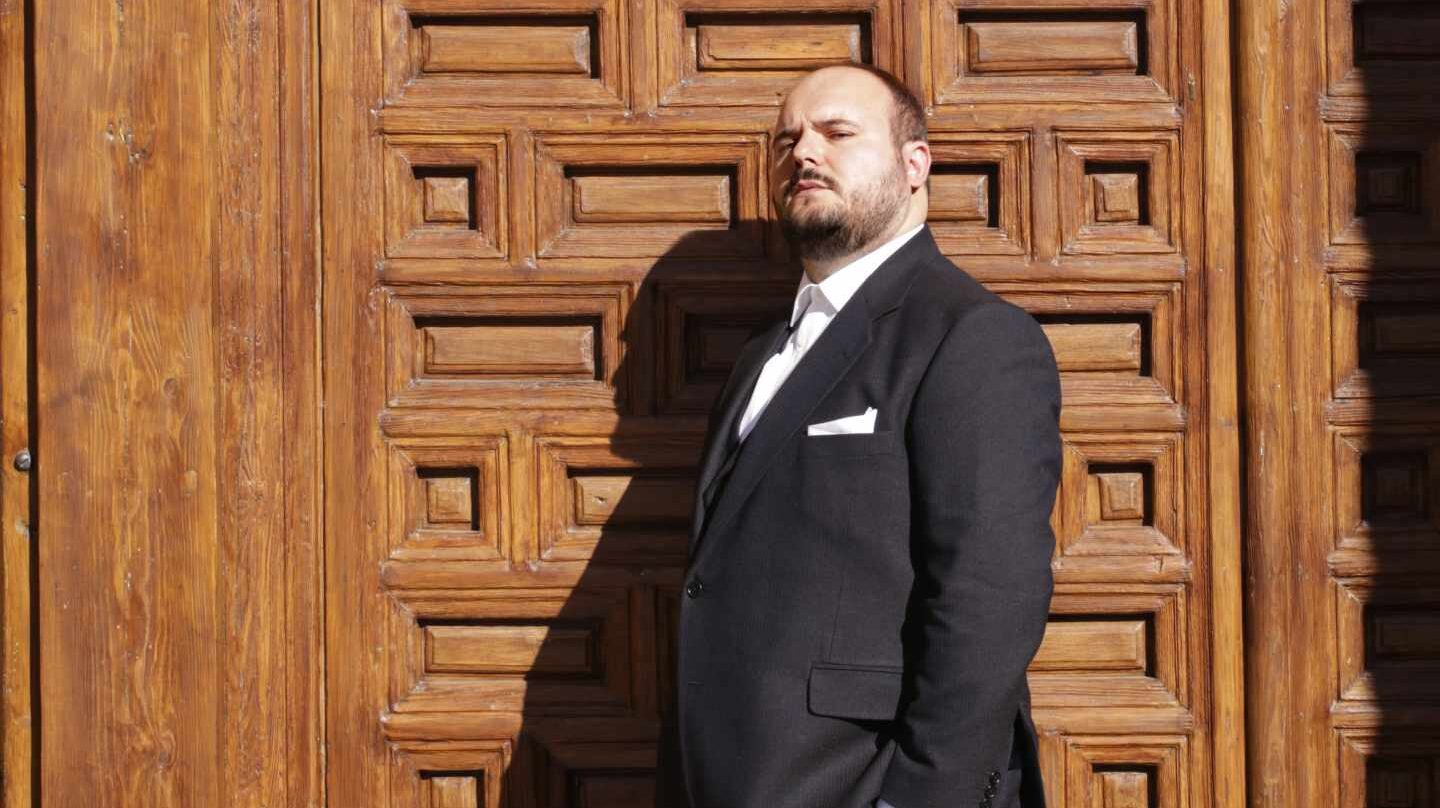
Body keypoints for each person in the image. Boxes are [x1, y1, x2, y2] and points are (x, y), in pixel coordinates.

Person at [656, 63, 1061, 808]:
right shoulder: (758, 357)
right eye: (787, 141)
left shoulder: (974, 337)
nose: (804, 154)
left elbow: (989, 599)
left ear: (916, 165)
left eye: (838, 133)